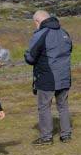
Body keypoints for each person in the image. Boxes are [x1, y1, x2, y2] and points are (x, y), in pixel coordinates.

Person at [24, 10, 73, 145]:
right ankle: (66, 135)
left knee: (44, 107)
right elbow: (69, 50)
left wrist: (26, 55)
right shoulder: (64, 32)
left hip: (47, 77)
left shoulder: (41, 34)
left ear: (37, 21)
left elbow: (30, 58)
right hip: (64, 76)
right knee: (63, 106)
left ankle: (46, 137)